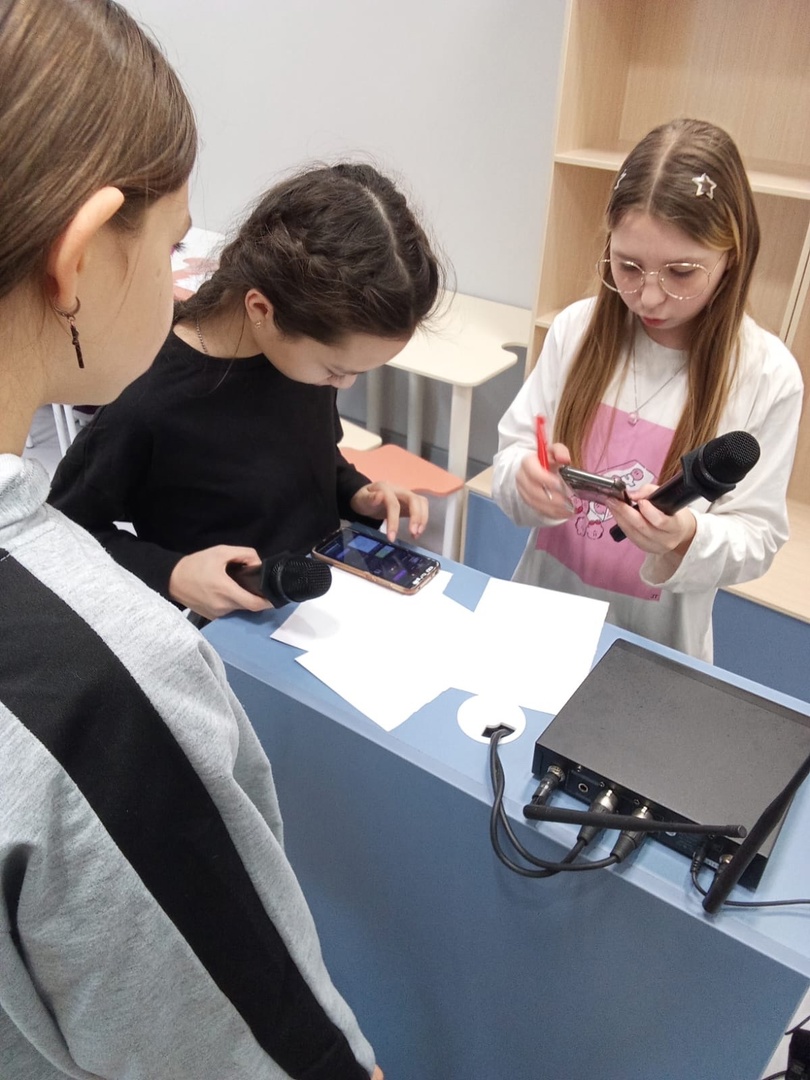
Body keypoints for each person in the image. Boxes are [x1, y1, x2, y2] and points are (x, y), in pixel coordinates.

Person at [0, 2, 381, 1077]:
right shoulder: (111, 689)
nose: (181, 273)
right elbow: (243, 1041)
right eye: (171, 244)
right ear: (80, 256)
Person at [49, 162, 442, 621]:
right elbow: (65, 528)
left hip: (315, 605)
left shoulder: (300, 362)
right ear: (261, 309)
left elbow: (310, 456)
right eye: (337, 370)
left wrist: (356, 493)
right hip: (222, 632)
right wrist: (172, 573)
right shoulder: (147, 398)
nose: (345, 384)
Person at [492, 118, 803, 661]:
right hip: (540, 625)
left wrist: (685, 536)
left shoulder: (766, 374)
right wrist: (525, 479)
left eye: (681, 273)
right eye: (628, 265)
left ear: (731, 258)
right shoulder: (575, 330)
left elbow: (757, 537)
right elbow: (514, 454)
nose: (649, 297)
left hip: (655, 652)